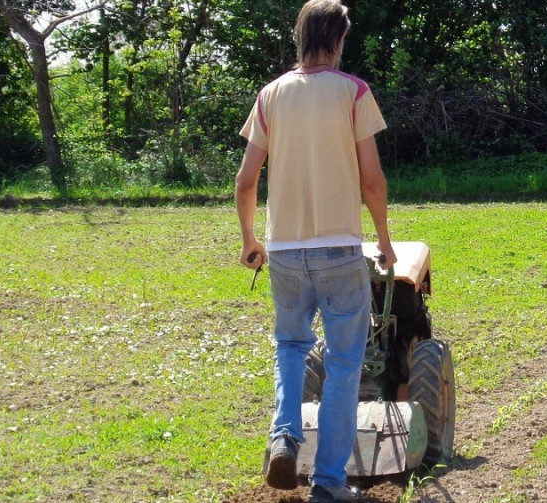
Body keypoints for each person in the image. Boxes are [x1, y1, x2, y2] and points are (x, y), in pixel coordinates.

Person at [233, 0, 395, 501]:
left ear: (300, 38)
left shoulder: (270, 95)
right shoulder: (354, 93)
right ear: (338, 40)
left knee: (290, 347)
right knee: (345, 363)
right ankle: (328, 483)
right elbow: (371, 181)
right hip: (338, 250)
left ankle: (284, 436)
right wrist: (385, 241)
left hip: (283, 252)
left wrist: (250, 241)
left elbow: (245, 181)